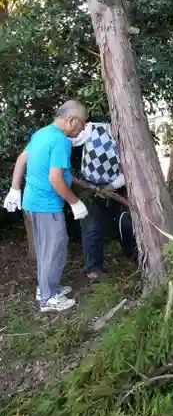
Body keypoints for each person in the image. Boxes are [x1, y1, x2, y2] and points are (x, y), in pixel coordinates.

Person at [3, 100, 89, 312]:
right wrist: (75, 202)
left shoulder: (42, 133)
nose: (83, 129)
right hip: (46, 205)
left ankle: (47, 288)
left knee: (46, 248)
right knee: (55, 248)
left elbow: (22, 158)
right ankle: (49, 299)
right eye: (83, 124)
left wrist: (15, 189)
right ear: (71, 120)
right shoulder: (60, 141)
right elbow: (55, 179)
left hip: (33, 202)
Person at [70, 121, 136, 279]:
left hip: (115, 188)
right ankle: (93, 269)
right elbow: (69, 140)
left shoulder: (129, 142)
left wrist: (111, 187)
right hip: (88, 186)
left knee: (125, 223)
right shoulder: (93, 129)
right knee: (91, 227)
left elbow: (128, 172)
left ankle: (133, 258)